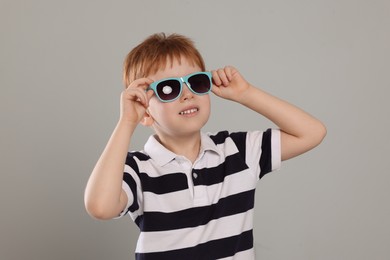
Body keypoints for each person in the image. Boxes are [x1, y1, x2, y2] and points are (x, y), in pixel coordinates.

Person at [84, 33, 326, 260]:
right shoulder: (137, 169)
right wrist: (127, 122)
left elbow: (312, 132)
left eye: (196, 82)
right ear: (145, 111)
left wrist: (246, 93)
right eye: (169, 88)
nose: (187, 94)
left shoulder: (238, 152)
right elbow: (100, 207)